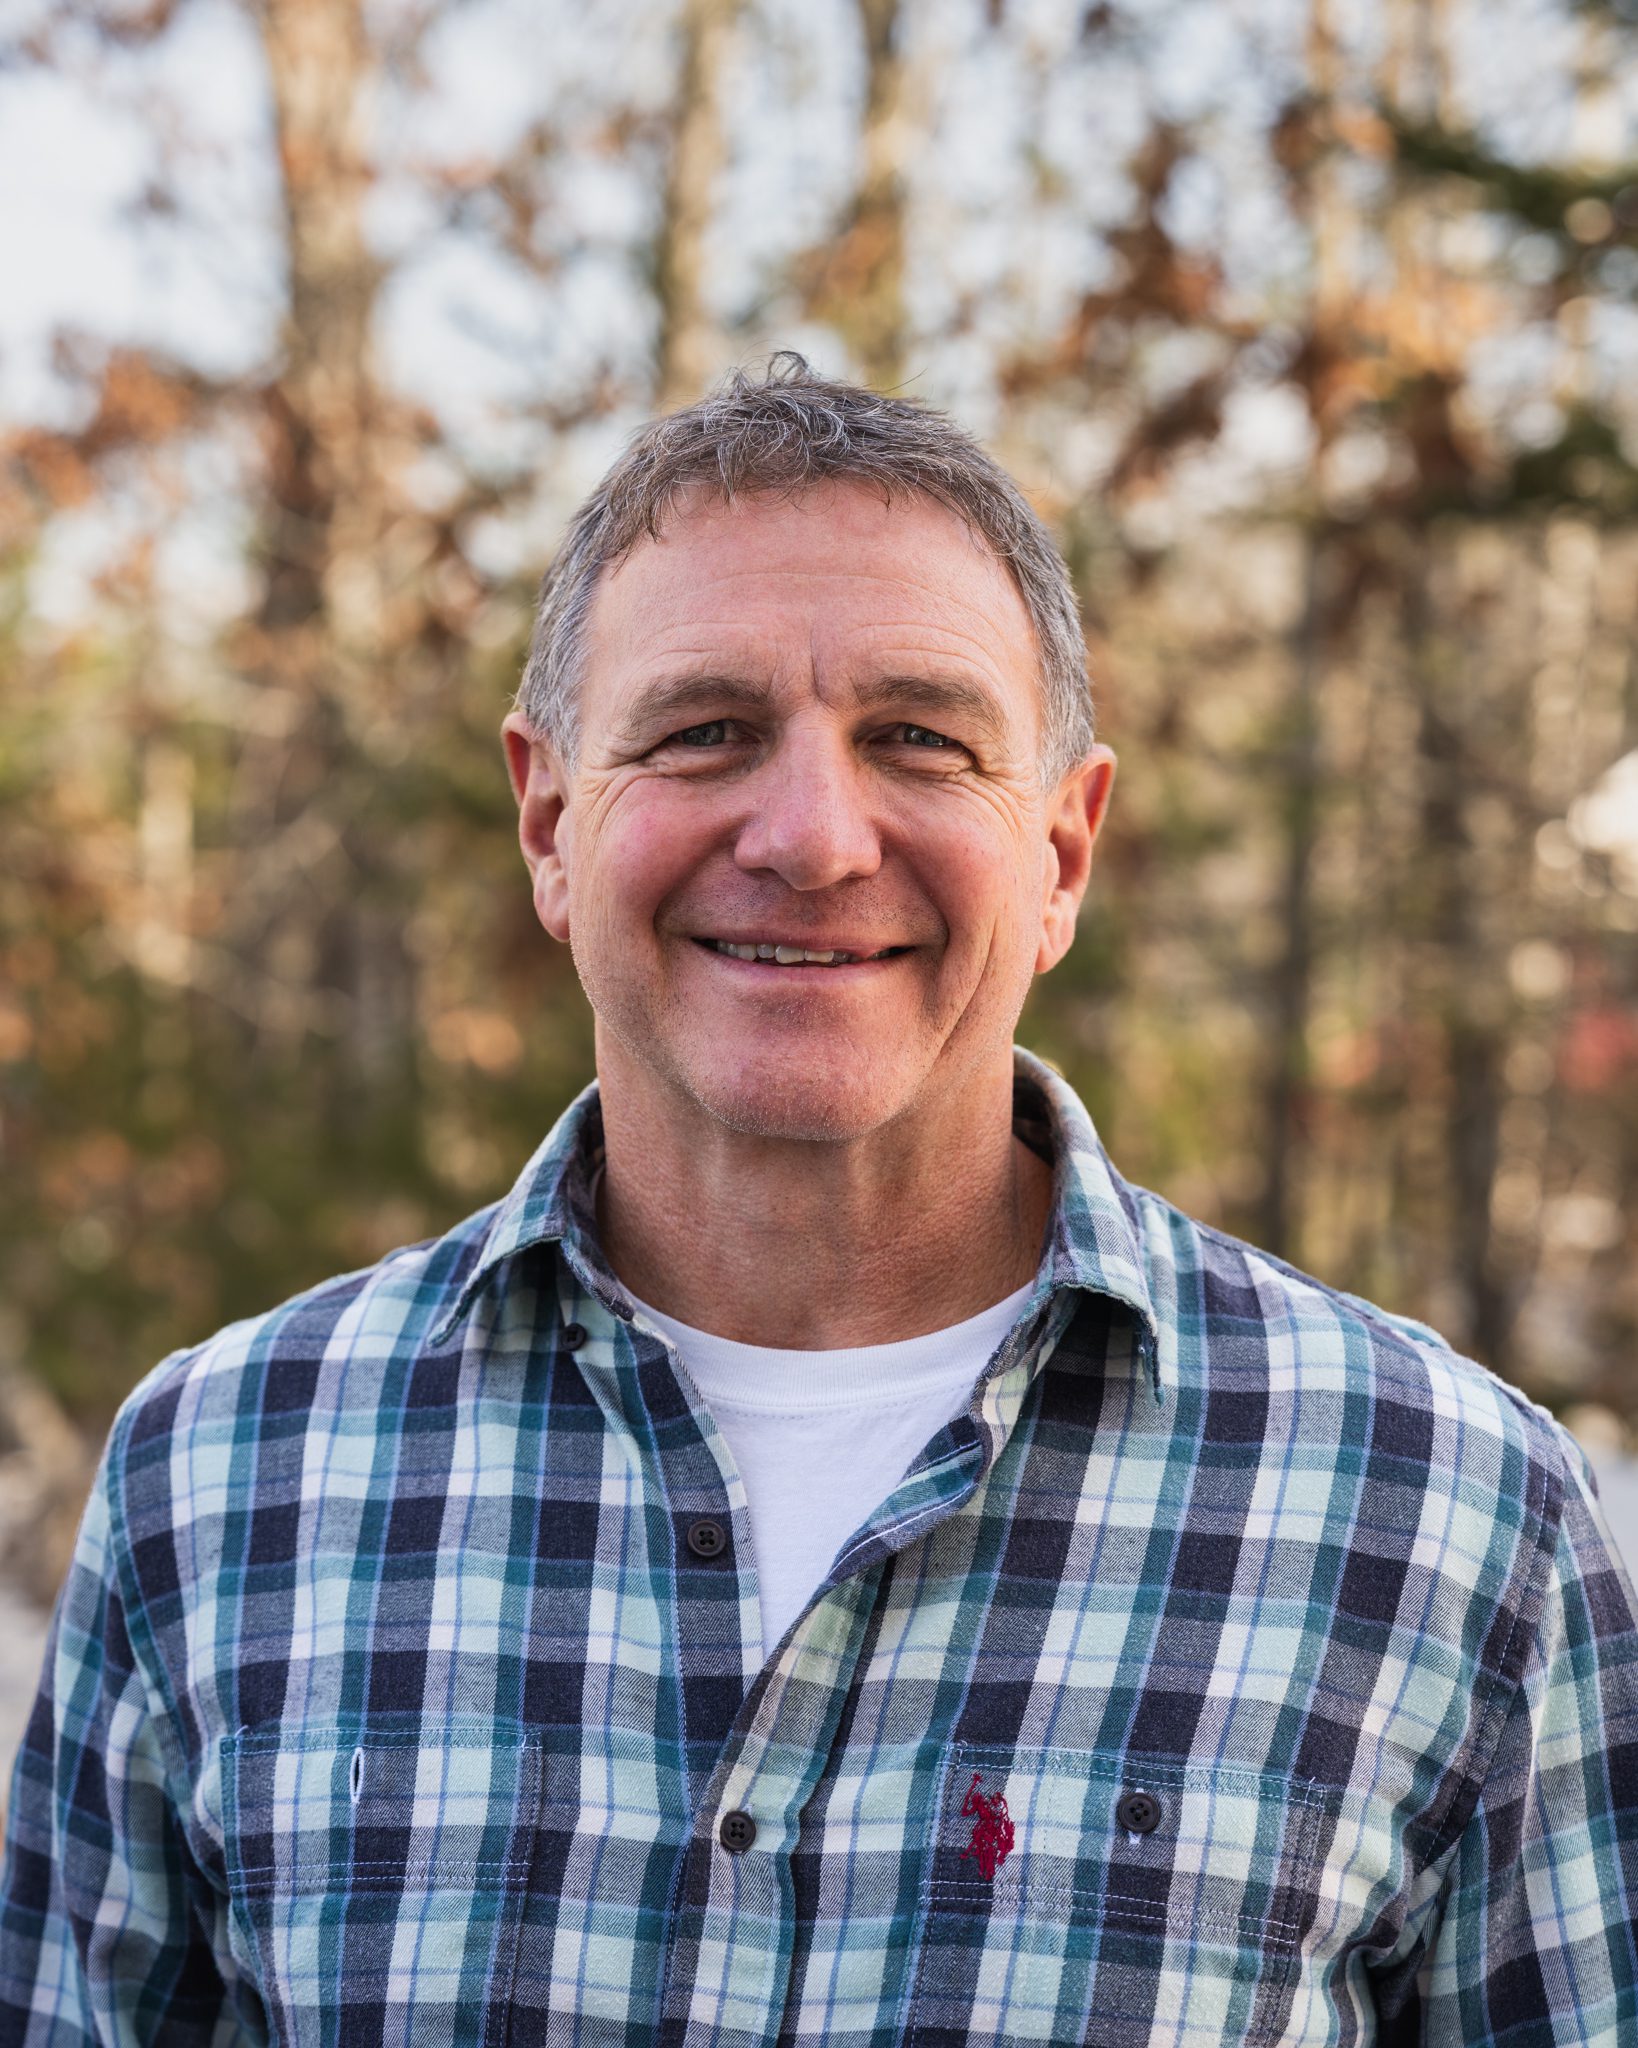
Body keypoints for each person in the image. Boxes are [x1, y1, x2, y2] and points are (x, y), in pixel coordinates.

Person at [2, 355, 1635, 2048]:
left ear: (1060, 853)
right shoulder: (220, 1477)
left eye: (918, 741)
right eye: (704, 732)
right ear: (551, 822)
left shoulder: (1449, 1517)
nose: (810, 835)